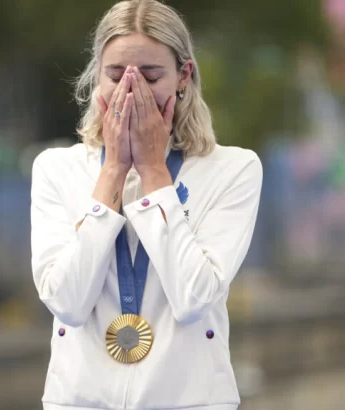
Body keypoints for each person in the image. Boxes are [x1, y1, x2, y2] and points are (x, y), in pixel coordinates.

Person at [30, 1, 262, 409]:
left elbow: (194, 298)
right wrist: (113, 173)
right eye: (116, 75)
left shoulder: (233, 169)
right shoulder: (56, 169)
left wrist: (155, 171)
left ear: (183, 77)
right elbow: (67, 302)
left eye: (150, 76)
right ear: (97, 76)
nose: (130, 91)